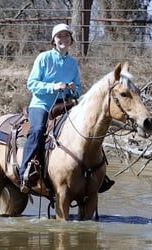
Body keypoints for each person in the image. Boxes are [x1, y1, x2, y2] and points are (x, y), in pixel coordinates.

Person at [19, 23, 114, 193]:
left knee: (87, 129)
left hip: (64, 105)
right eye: (59, 36)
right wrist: (53, 86)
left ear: (71, 40)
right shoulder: (44, 58)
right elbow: (31, 84)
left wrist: (73, 88)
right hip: (41, 104)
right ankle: (24, 171)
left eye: (66, 36)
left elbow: (78, 89)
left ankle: (97, 173)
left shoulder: (72, 63)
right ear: (53, 41)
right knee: (38, 129)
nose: (63, 39)